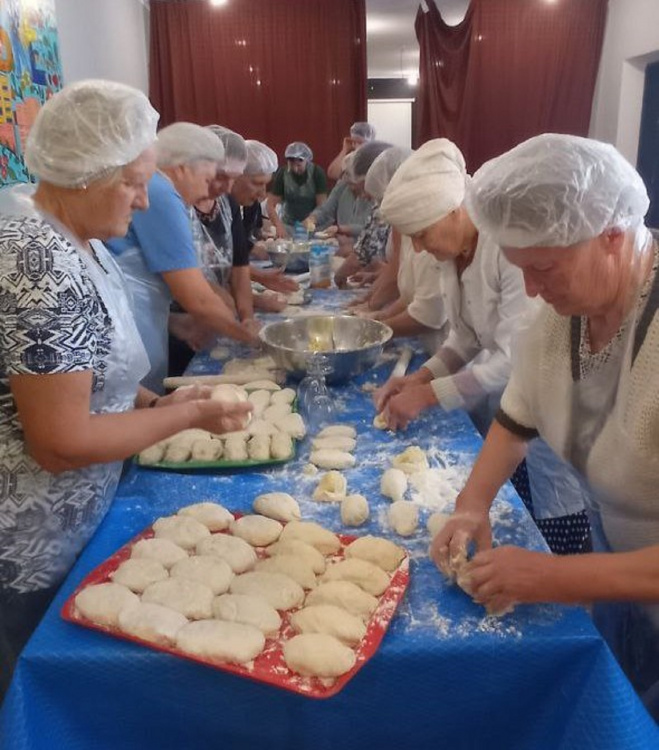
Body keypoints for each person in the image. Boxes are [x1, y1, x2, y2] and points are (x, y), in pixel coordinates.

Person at [0, 81, 252, 699]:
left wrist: (160, 403)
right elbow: (59, 441)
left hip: (78, 517)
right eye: (134, 183)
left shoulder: (81, 240)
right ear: (85, 174)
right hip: (28, 539)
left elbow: (96, 376)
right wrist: (183, 421)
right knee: (35, 696)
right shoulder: (38, 261)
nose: (144, 203)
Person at [431, 133, 659, 717]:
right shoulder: (561, 320)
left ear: (611, 234)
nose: (531, 289)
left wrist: (555, 577)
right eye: (519, 270)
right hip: (621, 561)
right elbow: (515, 418)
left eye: (544, 268)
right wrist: (471, 504)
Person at [376, 139, 591, 555]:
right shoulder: (453, 251)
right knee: (519, 517)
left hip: (552, 414)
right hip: (512, 419)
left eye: (421, 236)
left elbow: (515, 361)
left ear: (456, 209)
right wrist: (421, 377)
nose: (418, 249)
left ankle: (569, 587)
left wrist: (429, 395)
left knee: (558, 527)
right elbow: (466, 336)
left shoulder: (509, 249)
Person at [106, 122, 258, 393]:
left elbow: (139, 282)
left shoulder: (156, 189)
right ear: (183, 168)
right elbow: (197, 298)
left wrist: (177, 324)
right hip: (126, 346)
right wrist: (251, 338)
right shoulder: (162, 193)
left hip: (137, 337)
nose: (207, 192)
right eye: (208, 180)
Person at [332, 140, 393, 288]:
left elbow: (406, 272)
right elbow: (364, 250)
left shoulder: (399, 208)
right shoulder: (381, 205)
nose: (363, 196)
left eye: (364, 189)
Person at [303, 151, 375, 253]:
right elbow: (326, 209)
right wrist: (312, 218)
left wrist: (341, 229)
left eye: (350, 176)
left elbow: (370, 228)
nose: (347, 179)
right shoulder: (342, 186)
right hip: (342, 246)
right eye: (345, 174)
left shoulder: (373, 194)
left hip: (365, 249)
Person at [266, 142, 327, 238]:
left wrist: (311, 220)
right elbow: (270, 205)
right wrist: (278, 226)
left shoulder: (317, 173)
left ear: (306, 161)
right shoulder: (283, 174)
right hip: (289, 224)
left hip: (314, 225)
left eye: (299, 165)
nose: (295, 169)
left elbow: (322, 206)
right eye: (292, 165)